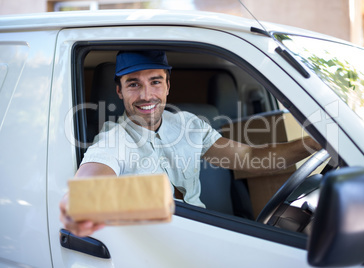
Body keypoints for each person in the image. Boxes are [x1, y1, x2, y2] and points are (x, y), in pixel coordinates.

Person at [60, 50, 321, 237]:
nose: (146, 95)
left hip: (203, 233)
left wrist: (316, 144)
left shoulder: (188, 125)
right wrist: (77, 203)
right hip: (156, 246)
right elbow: (85, 188)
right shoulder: (112, 139)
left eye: (155, 82)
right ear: (119, 91)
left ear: (168, 86)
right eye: (133, 84)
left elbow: (251, 158)